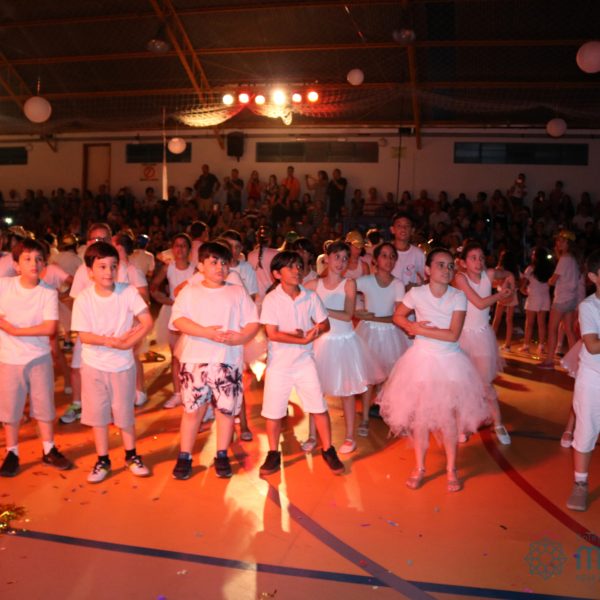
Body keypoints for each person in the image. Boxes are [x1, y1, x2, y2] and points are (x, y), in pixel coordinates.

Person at [378, 247, 490, 492]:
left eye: (450, 266)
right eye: (441, 265)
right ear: (427, 270)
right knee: (420, 419)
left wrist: (421, 330)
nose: (447, 270)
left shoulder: (458, 296)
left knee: (448, 418)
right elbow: (398, 316)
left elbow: (453, 335)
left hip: (450, 363)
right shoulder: (416, 293)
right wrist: (410, 326)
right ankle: (419, 467)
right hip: (421, 360)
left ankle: (451, 469)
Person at [170, 241, 259, 480]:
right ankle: (185, 456)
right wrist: (206, 333)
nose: (220, 267)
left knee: (226, 411)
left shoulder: (236, 291)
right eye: (213, 262)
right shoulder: (190, 291)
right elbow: (178, 320)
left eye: (224, 263)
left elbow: (253, 321)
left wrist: (242, 337)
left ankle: (222, 454)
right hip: (194, 360)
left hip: (226, 360)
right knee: (192, 411)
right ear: (201, 266)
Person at [71, 241, 153, 483]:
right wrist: (111, 341)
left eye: (113, 266)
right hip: (93, 366)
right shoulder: (84, 299)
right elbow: (84, 336)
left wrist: (127, 344)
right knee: (98, 416)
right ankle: (103, 459)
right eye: (102, 267)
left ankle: (131, 455)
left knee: (124, 413)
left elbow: (147, 321)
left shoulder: (127, 292)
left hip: (122, 366)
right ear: (90, 271)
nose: (108, 272)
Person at [258, 251, 345, 476]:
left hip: (304, 361)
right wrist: (300, 338)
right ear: (277, 274)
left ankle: (328, 449)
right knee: (273, 412)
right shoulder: (272, 299)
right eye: (290, 267)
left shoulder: (310, 296)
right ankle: (273, 453)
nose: (296, 270)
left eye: (298, 266)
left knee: (319, 406)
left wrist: (313, 331)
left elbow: (325, 324)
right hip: (279, 364)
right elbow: (272, 333)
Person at [0, 238, 73, 477]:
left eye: (39, 259)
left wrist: (14, 330)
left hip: (39, 357)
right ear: (16, 265)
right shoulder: (4, 286)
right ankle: (12, 452)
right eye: (27, 259)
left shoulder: (47, 292)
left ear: (44, 264)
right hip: (10, 358)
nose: (34, 263)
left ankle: (49, 448)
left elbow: (49, 327)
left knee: (44, 406)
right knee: (10, 409)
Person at [303, 240, 373, 454]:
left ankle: (350, 437)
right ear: (327, 258)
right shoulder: (313, 285)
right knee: (316, 390)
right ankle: (312, 435)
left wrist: (321, 309)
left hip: (344, 342)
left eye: (345, 258)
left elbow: (347, 314)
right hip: (321, 342)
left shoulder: (348, 284)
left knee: (347, 391)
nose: (341, 262)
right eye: (337, 257)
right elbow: (300, 305)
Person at [454, 242, 512, 445]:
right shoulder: (460, 278)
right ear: (463, 262)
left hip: (482, 337)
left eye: (481, 258)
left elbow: (507, 273)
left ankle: (498, 423)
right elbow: (479, 303)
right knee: (464, 385)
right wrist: (500, 295)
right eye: (473, 258)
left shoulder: (489, 274)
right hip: (463, 337)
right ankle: (464, 424)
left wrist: (510, 281)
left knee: (486, 384)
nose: (478, 262)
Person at [355, 242, 408, 436]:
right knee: (369, 378)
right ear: (375, 260)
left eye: (392, 256)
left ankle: (393, 418)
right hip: (369, 332)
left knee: (391, 379)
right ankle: (365, 419)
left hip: (390, 334)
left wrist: (374, 317)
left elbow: (399, 314)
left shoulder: (398, 284)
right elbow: (345, 289)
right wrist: (355, 311)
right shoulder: (366, 280)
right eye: (384, 256)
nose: (389, 260)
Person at [565, 249, 600, 511]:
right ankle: (580, 483)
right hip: (593, 379)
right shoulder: (588, 307)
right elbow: (592, 345)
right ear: (593, 277)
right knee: (586, 430)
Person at [150, 234, 196, 409]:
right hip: (173, 314)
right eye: (177, 245)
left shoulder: (195, 270)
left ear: (189, 249)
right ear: (172, 248)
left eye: (184, 245)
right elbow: (153, 287)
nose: (180, 249)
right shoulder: (168, 268)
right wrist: (168, 301)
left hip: (191, 315)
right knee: (175, 356)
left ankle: (191, 391)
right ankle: (177, 393)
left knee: (190, 357)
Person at [540, 230, 580, 369]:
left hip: (561, 299)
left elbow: (553, 280)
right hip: (571, 299)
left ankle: (549, 361)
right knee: (569, 330)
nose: (558, 243)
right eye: (557, 240)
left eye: (562, 241)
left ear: (568, 243)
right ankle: (577, 361)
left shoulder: (564, 259)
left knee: (552, 329)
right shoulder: (573, 259)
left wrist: (549, 281)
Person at [519, 247, 554, 354]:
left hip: (534, 296)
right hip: (545, 297)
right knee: (542, 323)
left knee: (529, 323)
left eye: (533, 254)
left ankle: (526, 345)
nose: (532, 256)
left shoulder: (531, 268)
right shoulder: (549, 269)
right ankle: (541, 346)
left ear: (536, 257)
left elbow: (522, 285)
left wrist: (524, 291)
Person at [491, 250, 520, 351]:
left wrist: (500, 283)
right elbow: (517, 284)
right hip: (511, 295)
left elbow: (493, 283)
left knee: (497, 319)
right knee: (509, 320)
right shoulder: (515, 270)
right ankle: (507, 345)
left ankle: (491, 342)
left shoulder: (499, 269)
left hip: (502, 294)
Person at [389, 212, 425, 290]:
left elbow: (426, 279)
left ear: (412, 230)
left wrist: (416, 286)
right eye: (399, 225)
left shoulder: (418, 254)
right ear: (392, 229)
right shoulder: (385, 252)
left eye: (407, 226)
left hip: (410, 296)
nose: (403, 228)